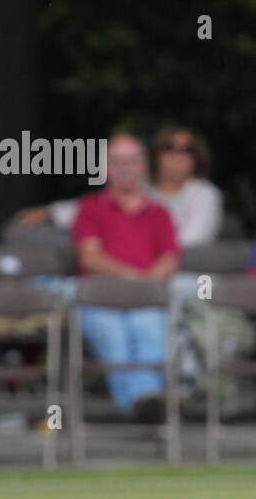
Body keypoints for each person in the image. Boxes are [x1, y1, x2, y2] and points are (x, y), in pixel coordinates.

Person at [71, 134, 179, 420]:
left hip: (145, 299)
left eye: (132, 160)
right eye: (117, 161)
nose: (125, 167)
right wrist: (133, 277)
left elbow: (170, 258)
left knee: (150, 332)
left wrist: (149, 281)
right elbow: (89, 257)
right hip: (101, 299)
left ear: (144, 165)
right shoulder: (90, 208)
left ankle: (144, 404)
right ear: (105, 168)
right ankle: (144, 404)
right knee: (115, 341)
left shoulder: (160, 213)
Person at [13, 125, 221, 248]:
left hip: (190, 277)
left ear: (197, 156)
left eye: (187, 149)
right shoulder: (143, 188)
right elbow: (94, 208)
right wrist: (50, 211)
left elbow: (191, 243)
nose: (177, 155)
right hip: (133, 270)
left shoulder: (206, 194)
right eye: (169, 148)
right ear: (155, 155)